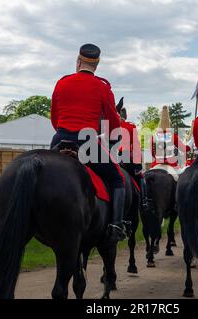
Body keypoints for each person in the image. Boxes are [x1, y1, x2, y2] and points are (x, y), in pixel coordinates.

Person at [49, 43, 126, 242]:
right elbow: (112, 121)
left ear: (78, 61)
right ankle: (117, 225)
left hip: (59, 139)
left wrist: (63, 131)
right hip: (87, 143)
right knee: (118, 180)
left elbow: (54, 117)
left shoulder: (62, 83)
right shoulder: (102, 87)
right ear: (96, 65)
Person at [118, 104, 149, 211]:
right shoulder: (130, 126)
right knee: (140, 175)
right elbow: (135, 145)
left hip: (109, 155)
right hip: (124, 155)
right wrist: (138, 165)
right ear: (125, 116)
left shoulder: (108, 124)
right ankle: (144, 201)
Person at [150, 106, 190, 179]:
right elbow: (183, 148)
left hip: (157, 163)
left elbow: (151, 152)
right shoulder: (172, 136)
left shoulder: (153, 136)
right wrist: (189, 146)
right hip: (171, 164)